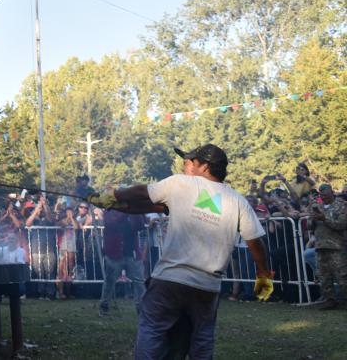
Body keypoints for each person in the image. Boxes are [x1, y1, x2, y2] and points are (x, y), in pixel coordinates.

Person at [89, 143, 273, 360]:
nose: (187, 165)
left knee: (152, 329)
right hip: (207, 285)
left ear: (204, 166)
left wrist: (113, 195)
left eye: (191, 161)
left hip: (170, 278)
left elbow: (142, 192)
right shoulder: (238, 200)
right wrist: (263, 274)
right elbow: (255, 242)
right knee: (202, 338)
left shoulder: (181, 183)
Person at [99, 207, 146, 316]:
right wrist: (128, 211)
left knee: (139, 282)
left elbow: (140, 225)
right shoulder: (109, 211)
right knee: (109, 282)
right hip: (114, 254)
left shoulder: (134, 210)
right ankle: (104, 306)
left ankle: (142, 309)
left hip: (131, 253)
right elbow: (112, 223)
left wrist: (135, 211)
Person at [309, 183, 347, 309]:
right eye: (321, 194)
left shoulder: (341, 206)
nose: (323, 197)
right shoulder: (317, 207)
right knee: (324, 276)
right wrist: (313, 220)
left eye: (325, 194)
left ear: (332, 193)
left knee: (342, 276)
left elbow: (342, 224)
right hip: (321, 246)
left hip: (336, 246)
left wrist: (324, 219)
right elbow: (309, 226)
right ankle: (330, 300)